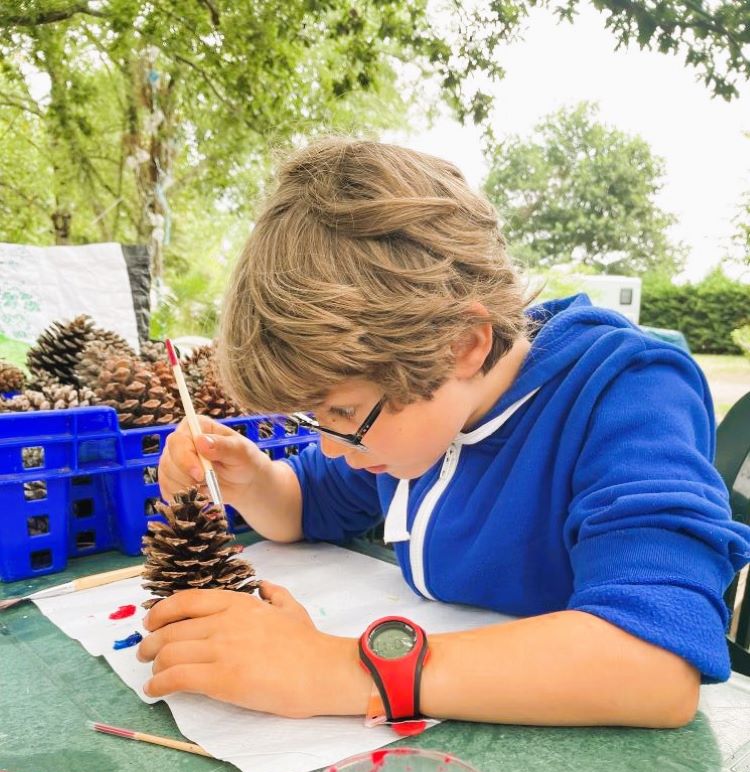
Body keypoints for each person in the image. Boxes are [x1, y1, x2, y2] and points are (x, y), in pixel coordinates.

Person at [138, 137, 750, 728]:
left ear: (463, 344)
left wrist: (341, 669)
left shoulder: (627, 391)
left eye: (344, 415)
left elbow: (658, 668)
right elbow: (304, 506)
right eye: (314, 419)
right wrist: (249, 478)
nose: (329, 445)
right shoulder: (421, 419)